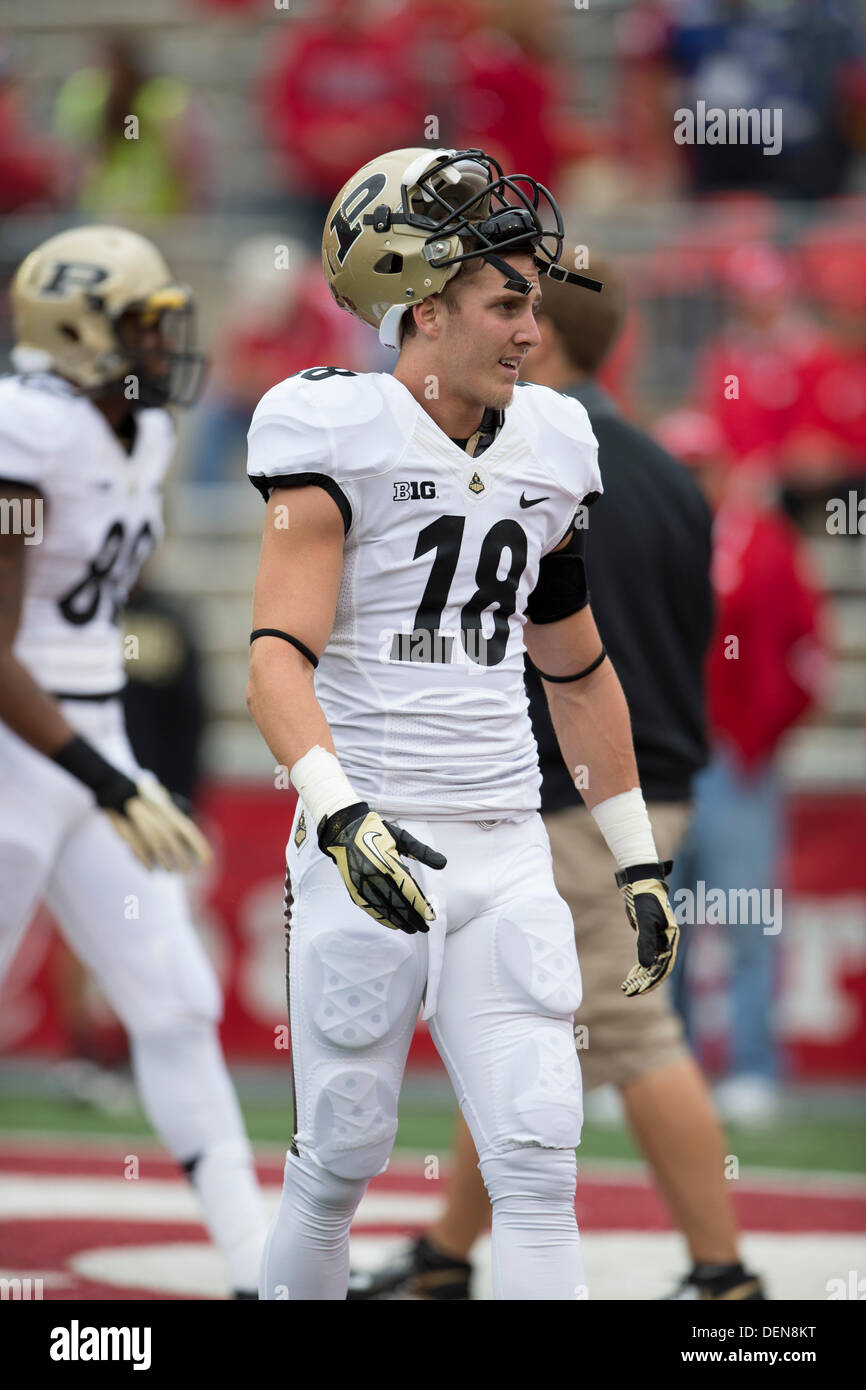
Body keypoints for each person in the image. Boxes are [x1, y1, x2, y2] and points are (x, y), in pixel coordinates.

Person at [245, 146, 680, 1301]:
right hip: (367, 843)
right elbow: (273, 660)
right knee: (336, 1161)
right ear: (424, 310)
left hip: (505, 849)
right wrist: (339, 816)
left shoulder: (553, 444)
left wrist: (634, 852)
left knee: (539, 1163)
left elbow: (575, 667)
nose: (531, 327)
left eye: (534, 300)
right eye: (505, 300)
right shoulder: (334, 427)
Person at [349, 258, 765, 1302]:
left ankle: (722, 1274)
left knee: (622, 1030)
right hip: (644, 771)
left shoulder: (534, 453)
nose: (509, 329)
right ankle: (448, 1249)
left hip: (579, 784)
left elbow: (553, 651)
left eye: (516, 310)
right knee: (525, 1021)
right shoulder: (667, 467)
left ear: (543, 334)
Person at [0, 226, 266, 1297]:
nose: (165, 342)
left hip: (86, 731)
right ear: (79, 335)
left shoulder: (138, 432)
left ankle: (260, 1263)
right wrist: (108, 779)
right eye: (144, 324)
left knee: (176, 1001)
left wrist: (108, 766)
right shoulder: (26, 429)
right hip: (23, 747)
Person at [655, 410, 829, 1123]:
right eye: (681, 470)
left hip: (731, 760)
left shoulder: (762, 542)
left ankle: (754, 1063)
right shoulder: (646, 537)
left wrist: (759, 737)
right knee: (659, 925)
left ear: (723, 470)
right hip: (663, 759)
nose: (692, 484)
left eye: (701, 468)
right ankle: (664, 1071)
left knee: (748, 921)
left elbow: (806, 650)